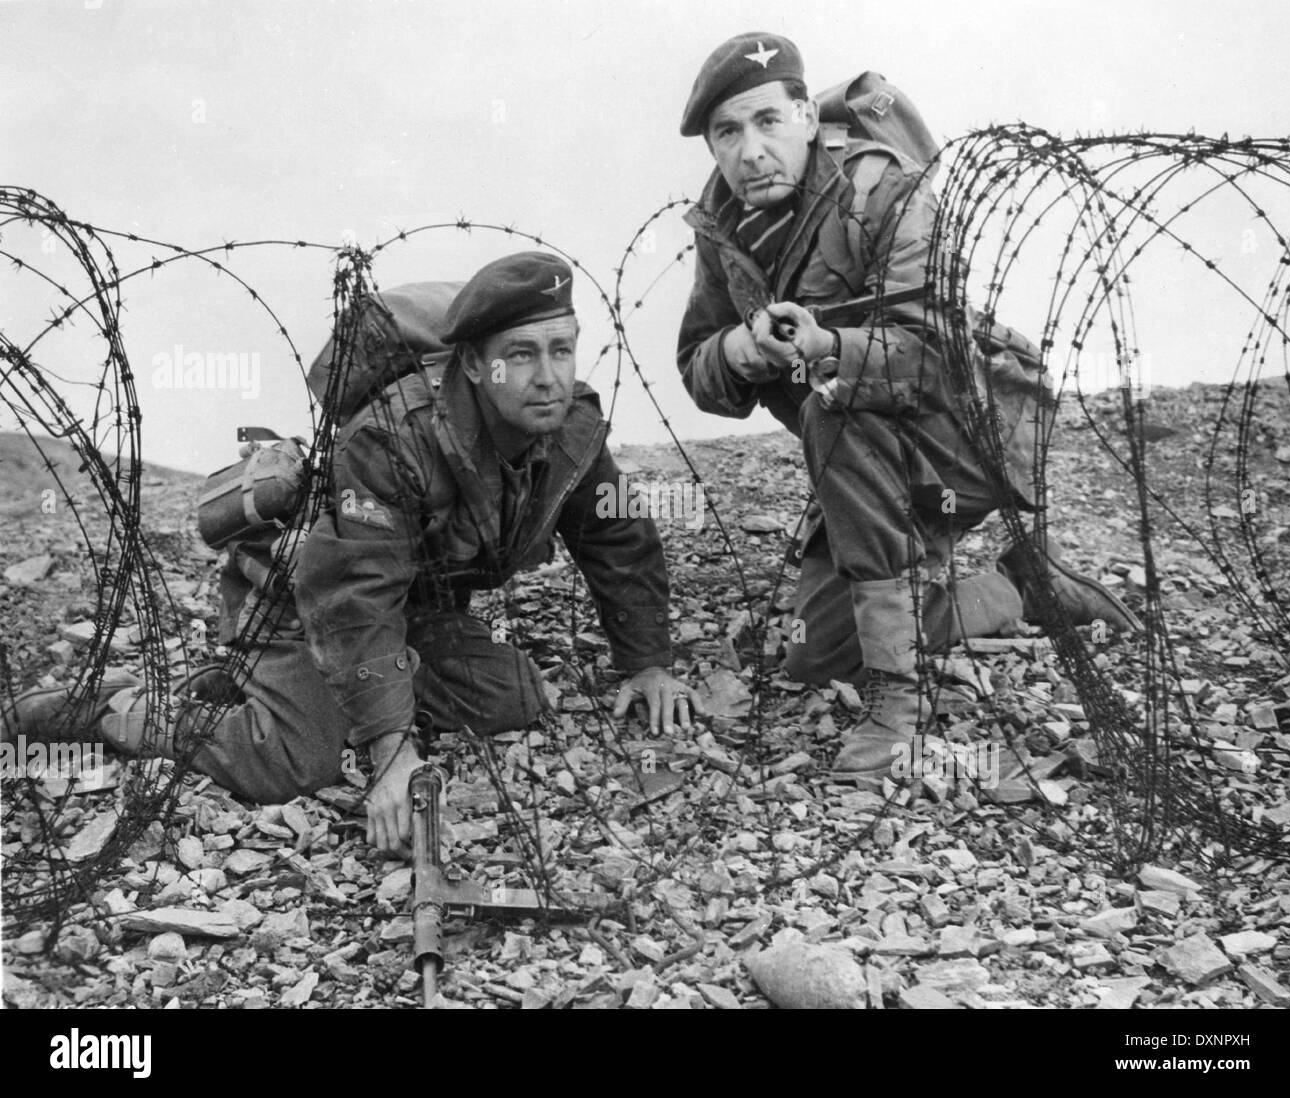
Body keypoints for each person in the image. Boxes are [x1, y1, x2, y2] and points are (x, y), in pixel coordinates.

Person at [3, 252, 699, 852]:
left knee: (513, 695)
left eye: (560, 349)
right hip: (295, 599)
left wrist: (646, 662)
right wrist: (392, 750)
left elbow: (613, 533)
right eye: (520, 355)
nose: (548, 375)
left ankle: (336, 690)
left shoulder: (569, 428)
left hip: (411, 600)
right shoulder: (396, 436)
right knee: (292, 763)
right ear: (476, 366)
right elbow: (352, 596)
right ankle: (114, 704)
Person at [674, 32, 1139, 775]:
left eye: (767, 121)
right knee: (814, 653)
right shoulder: (724, 225)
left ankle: (899, 700)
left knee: (835, 405)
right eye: (726, 132)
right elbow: (696, 364)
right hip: (865, 466)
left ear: (804, 115)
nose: (750, 151)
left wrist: (827, 346)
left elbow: (932, 358)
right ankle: (1025, 585)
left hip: (970, 436)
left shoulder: (881, 190)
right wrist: (742, 350)